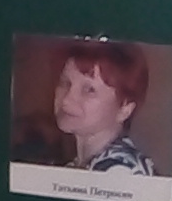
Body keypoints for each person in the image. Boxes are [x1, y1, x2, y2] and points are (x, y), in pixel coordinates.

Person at [44, 39, 154, 174]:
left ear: (124, 109)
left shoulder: (120, 169)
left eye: (89, 90)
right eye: (65, 82)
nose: (66, 99)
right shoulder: (77, 167)